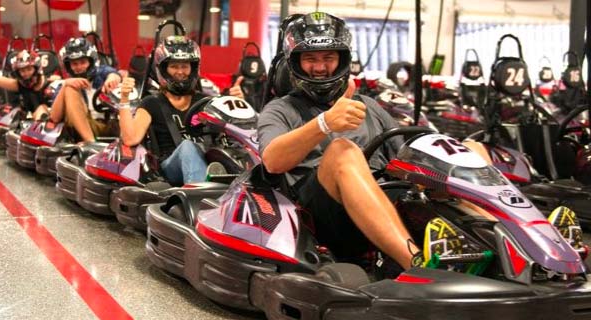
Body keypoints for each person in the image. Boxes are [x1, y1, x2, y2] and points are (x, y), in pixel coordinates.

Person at [258, 12, 497, 270]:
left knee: (470, 149)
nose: (320, 67)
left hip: (384, 197)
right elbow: (272, 161)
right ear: (294, 62)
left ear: (342, 61)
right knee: (343, 151)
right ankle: (418, 265)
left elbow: (406, 153)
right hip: (324, 217)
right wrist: (325, 123)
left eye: (328, 58)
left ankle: (508, 245)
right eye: (310, 59)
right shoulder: (280, 109)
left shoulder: (369, 106)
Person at [118, 35, 241, 186]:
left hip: (208, 158)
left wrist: (238, 101)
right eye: (174, 66)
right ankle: (199, 195)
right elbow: (131, 139)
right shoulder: (151, 103)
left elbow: (233, 132)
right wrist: (124, 98)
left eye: (185, 66)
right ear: (163, 69)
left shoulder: (205, 101)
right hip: (170, 167)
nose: (180, 72)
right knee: (188, 147)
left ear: (193, 68)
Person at [49, 37, 122, 142]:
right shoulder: (64, 84)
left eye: (83, 62)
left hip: (110, 126)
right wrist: (65, 85)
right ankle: (90, 142)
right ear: (68, 66)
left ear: (91, 61)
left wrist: (112, 79)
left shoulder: (101, 73)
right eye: (74, 64)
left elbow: (114, 74)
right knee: (70, 89)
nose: (79, 67)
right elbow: (54, 118)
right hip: (81, 134)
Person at [0, 39, 56, 120]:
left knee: (42, 108)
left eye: (29, 69)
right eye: (22, 70)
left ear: (36, 69)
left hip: (49, 123)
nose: (26, 73)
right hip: (27, 124)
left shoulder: (51, 83)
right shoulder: (18, 84)